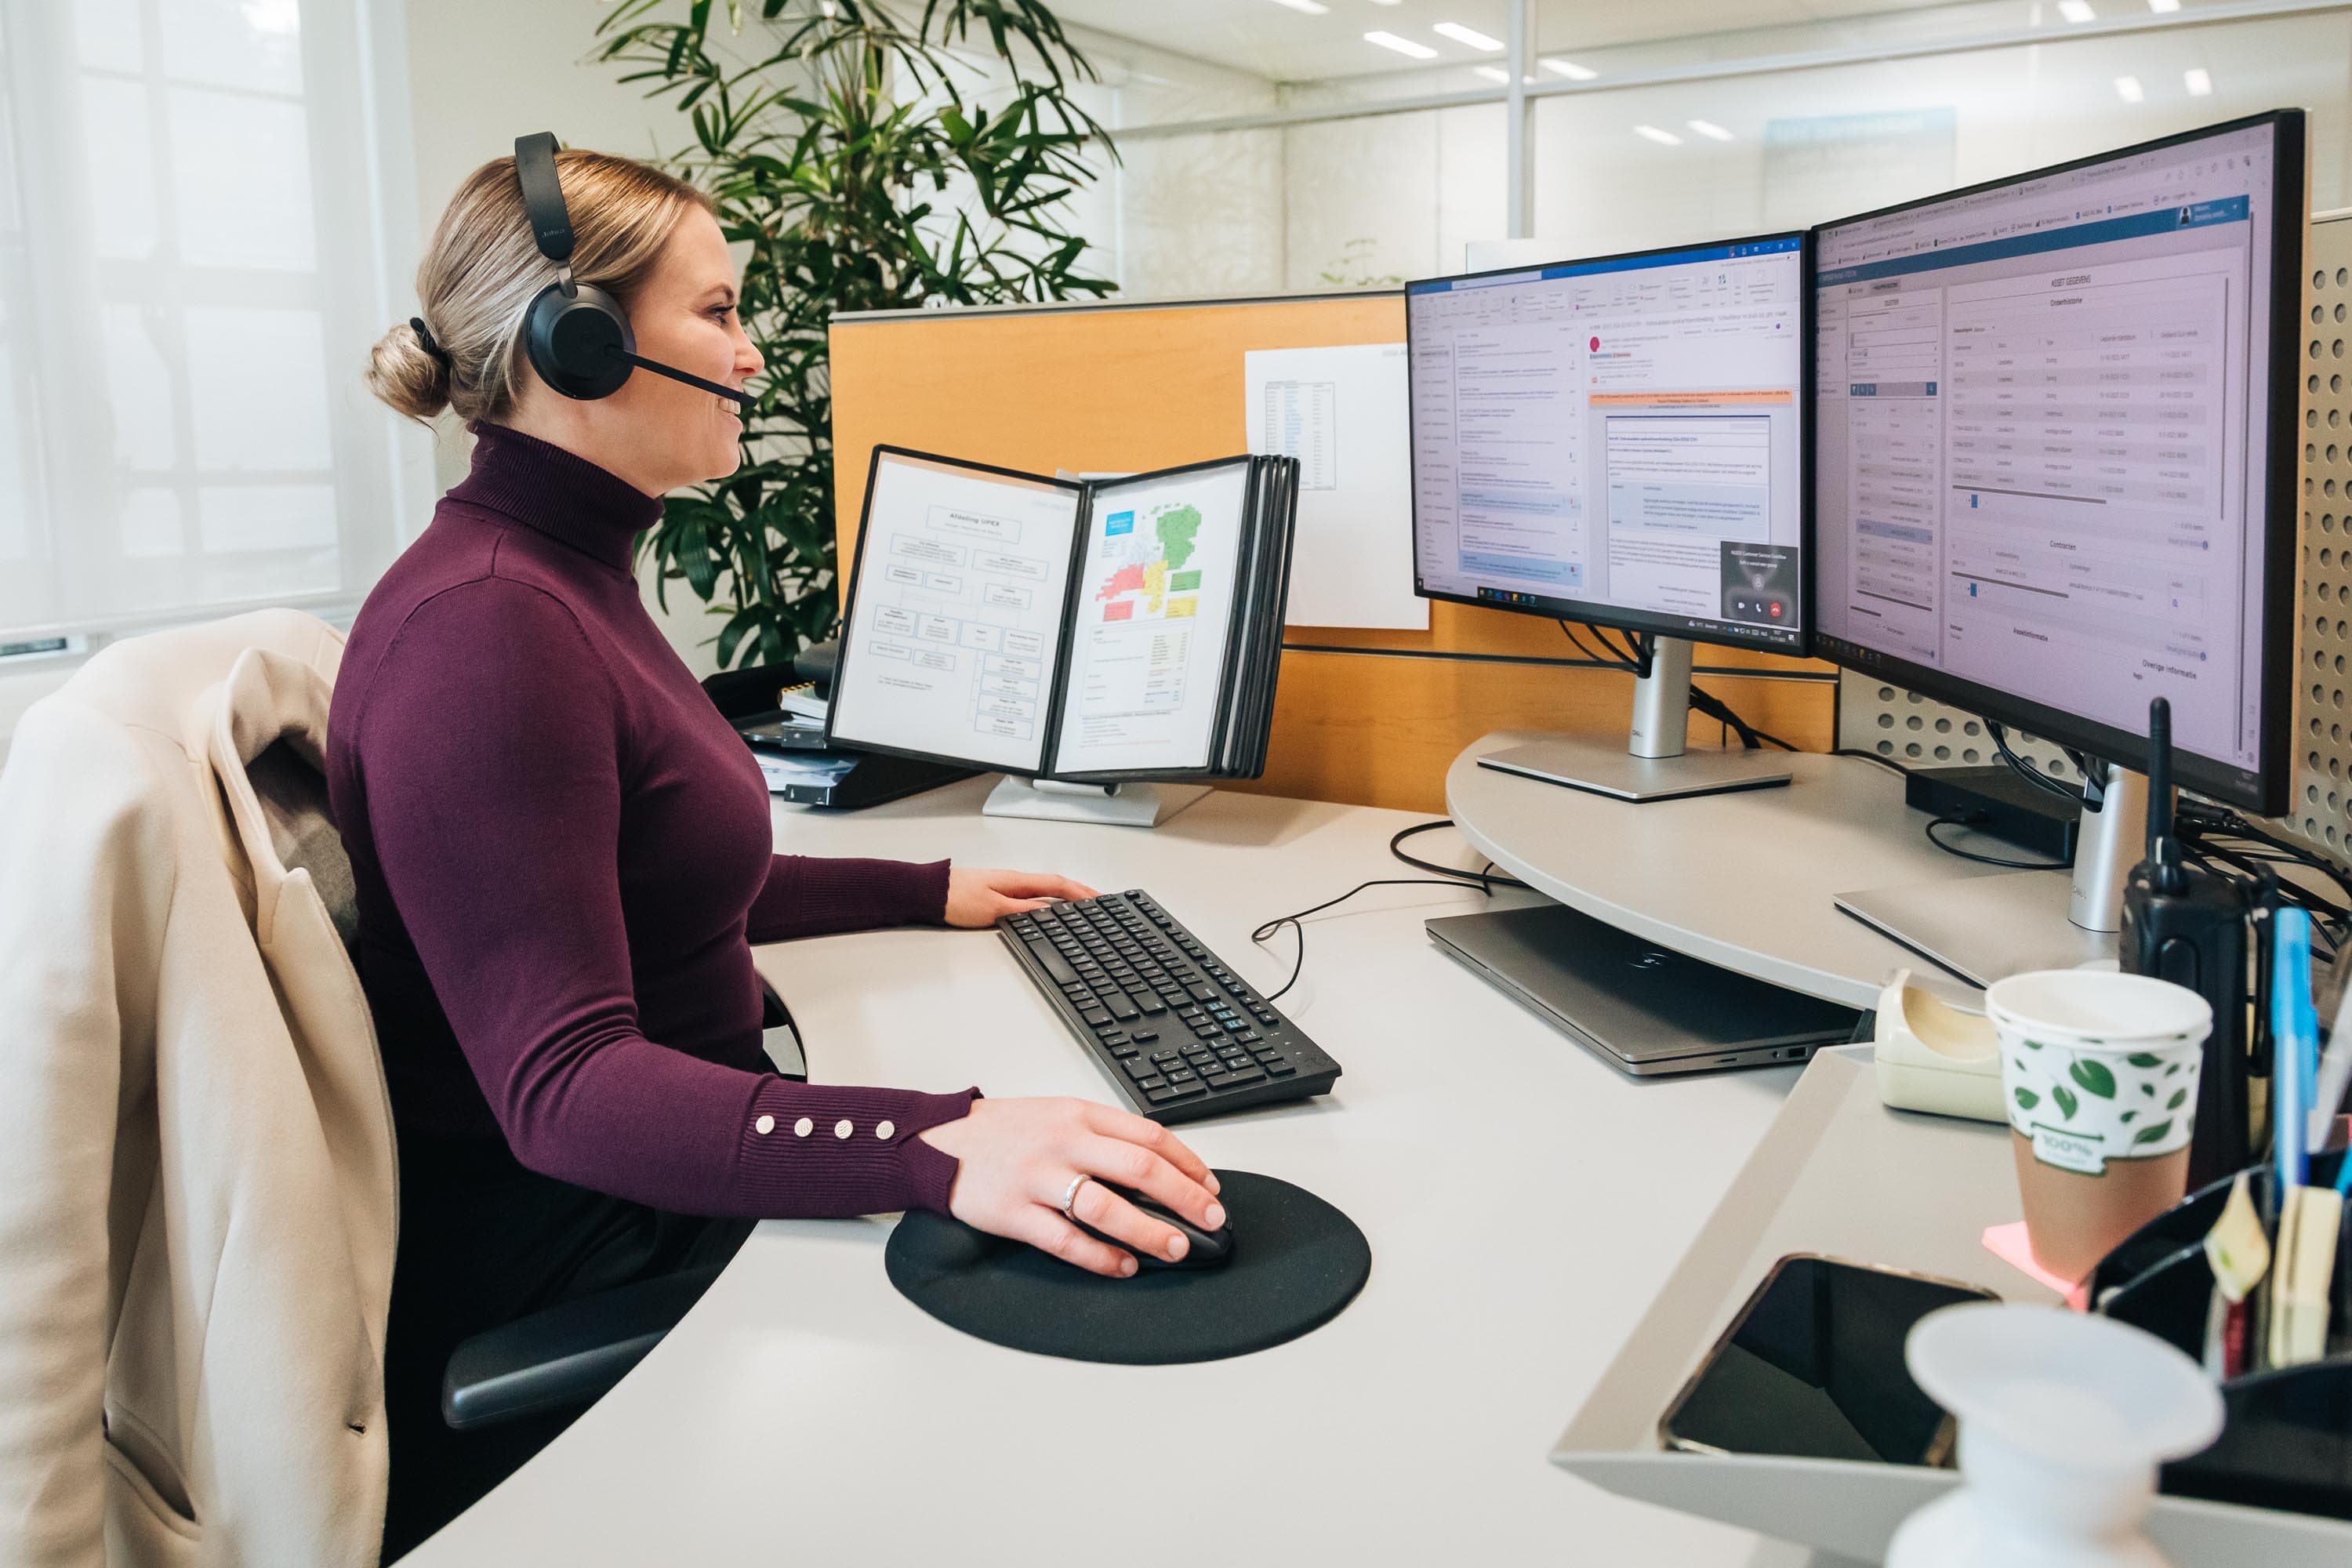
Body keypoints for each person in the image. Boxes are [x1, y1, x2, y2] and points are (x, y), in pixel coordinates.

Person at [336, 146, 1221, 1556]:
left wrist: (923, 887)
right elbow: (563, 1090)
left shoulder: (560, 577)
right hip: (591, 1239)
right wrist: (926, 1142)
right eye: (722, 312)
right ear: (585, 343)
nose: (754, 355)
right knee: (1112, 1350)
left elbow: (638, 871)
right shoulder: (489, 632)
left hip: (653, 1179)